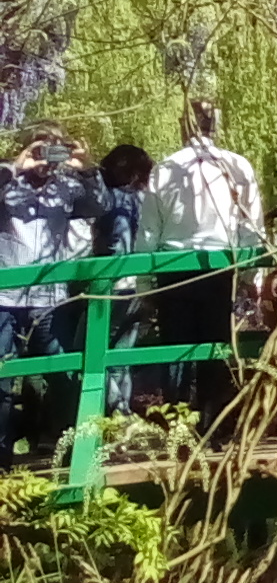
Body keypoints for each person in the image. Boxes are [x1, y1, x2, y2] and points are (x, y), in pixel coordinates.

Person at [137, 101, 263, 440]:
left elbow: (149, 231)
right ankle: (213, 426)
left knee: (174, 349)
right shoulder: (237, 166)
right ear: (215, 125)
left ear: (184, 125)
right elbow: (252, 228)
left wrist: (145, 284)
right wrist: (252, 277)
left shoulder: (165, 168)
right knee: (215, 348)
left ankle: (176, 426)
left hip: (173, 269)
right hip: (218, 270)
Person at [0, 122, 106, 464]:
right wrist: (17, 166)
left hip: (49, 299)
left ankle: (64, 448)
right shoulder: (7, 181)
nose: (47, 158)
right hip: (5, 300)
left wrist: (87, 168)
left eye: (54, 149)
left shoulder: (67, 187)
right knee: (2, 378)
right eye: (41, 148)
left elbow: (99, 207)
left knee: (62, 374)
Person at [89, 145, 154, 417]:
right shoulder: (147, 198)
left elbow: (120, 243)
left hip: (114, 285)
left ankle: (118, 413)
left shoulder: (116, 199)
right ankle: (122, 413)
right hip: (140, 284)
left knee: (87, 352)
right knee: (120, 358)